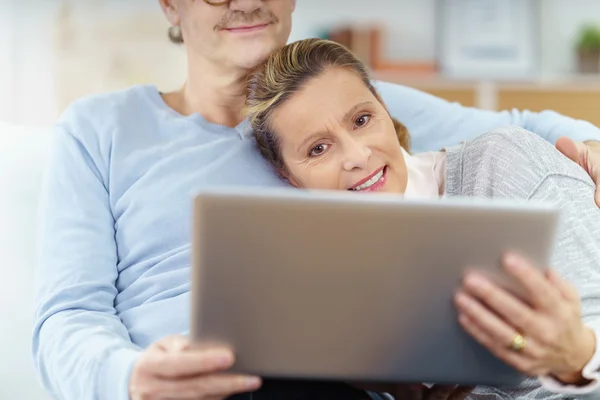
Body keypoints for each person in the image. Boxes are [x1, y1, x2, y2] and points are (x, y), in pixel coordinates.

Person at [31, 1, 600, 399]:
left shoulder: (349, 97)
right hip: (171, 380)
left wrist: (591, 146)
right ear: (170, 5)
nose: (248, 3)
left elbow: (525, 125)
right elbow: (67, 315)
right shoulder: (99, 128)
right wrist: (128, 378)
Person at [243, 37, 600, 399]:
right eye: (318, 149)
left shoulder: (502, 165)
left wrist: (577, 360)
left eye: (362, 120)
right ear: (287, 175)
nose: (357, 155)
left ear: (384, 108)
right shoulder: (324, 283)